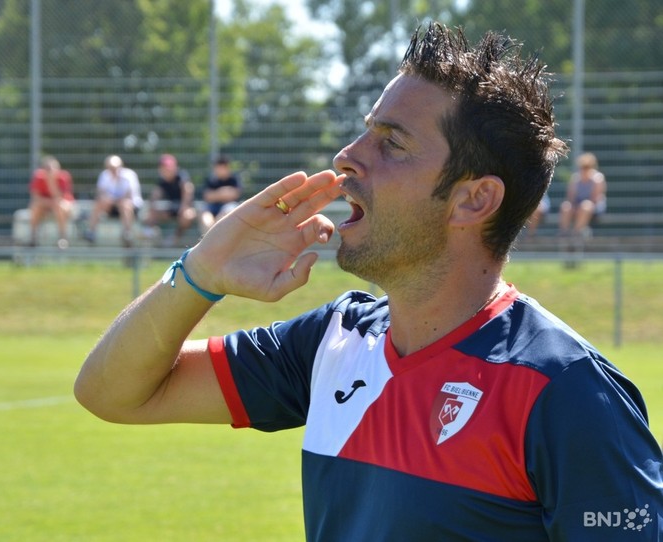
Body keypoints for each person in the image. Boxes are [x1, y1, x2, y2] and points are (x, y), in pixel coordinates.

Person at [75, 24, 663, 541]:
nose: (347, 157)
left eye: (392, 143)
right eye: (363, 133)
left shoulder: (565, 392)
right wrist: (201, 273)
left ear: (474, 199)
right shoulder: (333, 340)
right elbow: (111, 392)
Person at [83, 155, 143, 247]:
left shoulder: (130, 175)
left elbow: (129, 196)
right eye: (110, 168)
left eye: (114, 167)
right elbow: (100, 194)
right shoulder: (104, 175)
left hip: (130, 208)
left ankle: (127, 234)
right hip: (112, 206)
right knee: (99, 202)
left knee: (125, 205)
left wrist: (114, 199)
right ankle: (91, 232)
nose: (113, 170)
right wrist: (110, 200)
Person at [144, 153, 197, 246]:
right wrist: (151, 208)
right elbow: (155, 194)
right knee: (150, 215)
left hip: (185, 208)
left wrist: (184, 207)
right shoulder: (162, 180)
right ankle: (151, 236)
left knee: (187, 215)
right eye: (163, 168)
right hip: (171, 208)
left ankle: (175, 239)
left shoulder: (182, 176)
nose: (166, 170)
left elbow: (188, 189)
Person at [28, 155, 74, 249]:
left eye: (52, 168)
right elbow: (35, 198)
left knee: (59, 207)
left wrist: (51, 181)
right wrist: (51, 202)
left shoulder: (63, 177)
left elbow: (59, 198)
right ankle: (33, 238)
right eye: (47, 169)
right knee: (35, 207)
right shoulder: (38, 177)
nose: (50, 171)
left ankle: (63, 238)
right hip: (48, 204)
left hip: (63, 205)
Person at [558, 152, 607, 241]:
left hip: (593, 208)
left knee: (586, 206)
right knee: (566, 206)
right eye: (582, 167)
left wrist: (580, 207)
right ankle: (564, 234)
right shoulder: (575, 178)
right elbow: (571, 198)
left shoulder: (598, 179)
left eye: (587, 167)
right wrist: (575, 206)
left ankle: (575, 234)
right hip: (578, 206)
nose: (584, 169)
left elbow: (595, 199)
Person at [198, 156, 242, 235]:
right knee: (204, 214)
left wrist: (215, 194)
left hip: (228, 207)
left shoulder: (234, 179)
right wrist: (223, 192)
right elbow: (207, 196)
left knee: (227, 211)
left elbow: (234, 194)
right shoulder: (211, 179)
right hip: (213, 207)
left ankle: (215, 237)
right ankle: (209, 238)